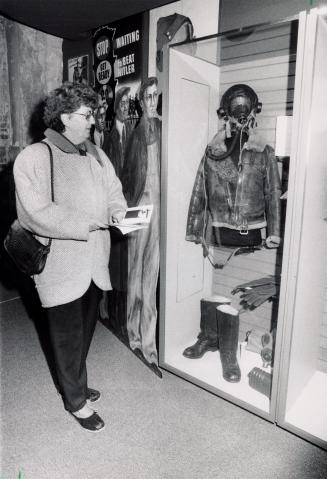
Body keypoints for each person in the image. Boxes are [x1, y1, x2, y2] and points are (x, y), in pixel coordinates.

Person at [13, 82, 127, 432]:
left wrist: (119, 210)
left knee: (86, 330)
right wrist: (87, 222)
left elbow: (113, 190)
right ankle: (75, 402)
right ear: (65, 117)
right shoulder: (34, 157)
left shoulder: (94, 152)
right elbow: (34, 212)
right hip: (60, 265)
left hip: (94, 261)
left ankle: (73, 382)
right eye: (87, 114)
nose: (93, 120)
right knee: (66, 336)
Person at [121, 77, 162, 377]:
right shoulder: (135, 135)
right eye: (146, 97)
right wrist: (126, 215)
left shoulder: (164, 129)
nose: (151, 101)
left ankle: (150, 345)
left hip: (159, 209)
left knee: (152, 276)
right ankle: (133, 335)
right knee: (135, 273)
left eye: (154, 96)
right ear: (140, 100)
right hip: (139, 208)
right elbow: (125, 178)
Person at [103, 86, 132, 179]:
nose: (126, 107)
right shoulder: (109, 138)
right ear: (116, 108)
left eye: (127, 102)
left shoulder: (131, 130)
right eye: (122, 103)